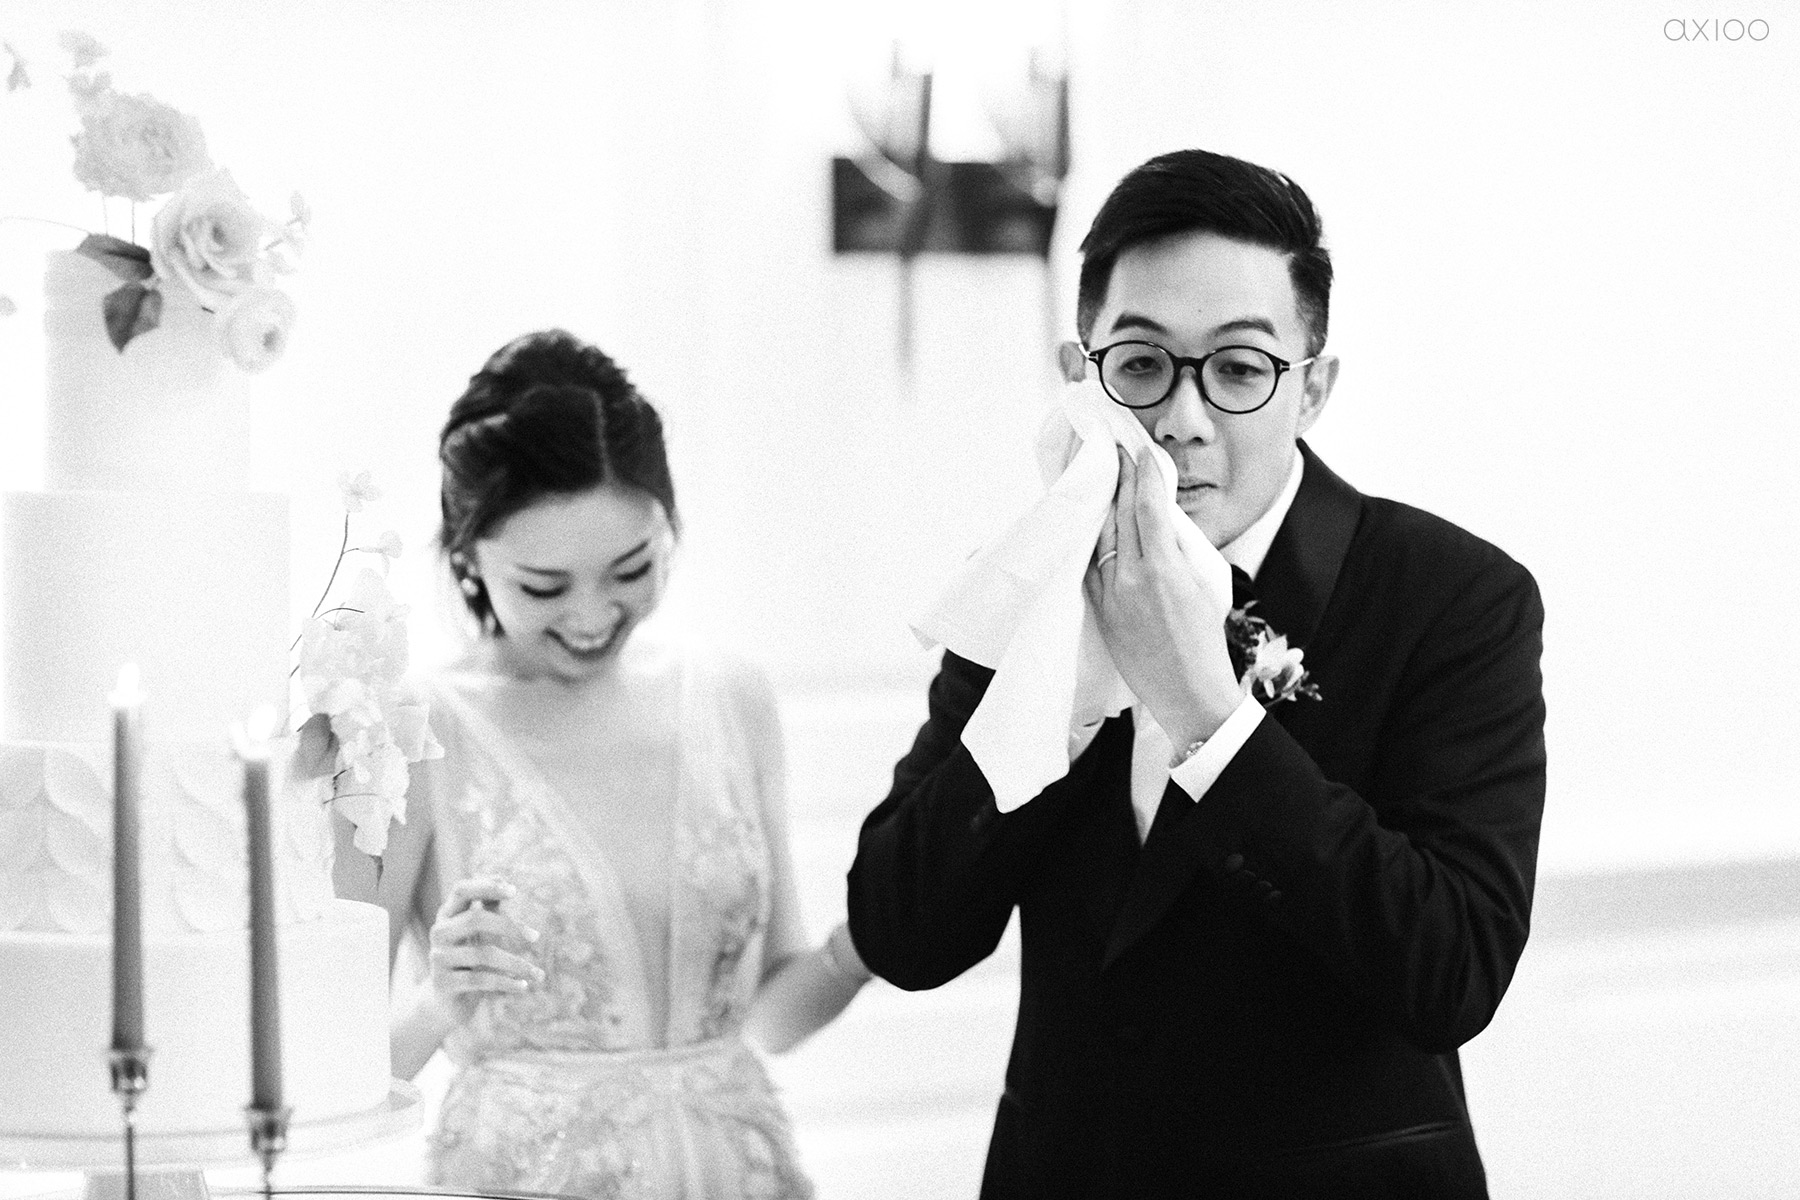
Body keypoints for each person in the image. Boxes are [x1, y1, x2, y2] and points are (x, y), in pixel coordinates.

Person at [847, 149, 1546, 1198]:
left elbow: (1450, 971)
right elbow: (900, 933)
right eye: (1141, 364)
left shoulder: (1453, 597)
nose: (1183, 417)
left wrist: (1207, 715)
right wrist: (1056, 701)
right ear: (1081, 375)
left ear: (1312, 389)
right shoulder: (1027, 582)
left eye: (1239, 368)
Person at [337, 329, 871, 1199]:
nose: (592, 615)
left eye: (631, 569)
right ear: (467, 556)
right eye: (544, 587)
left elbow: (769, 1019)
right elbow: (328, 1067)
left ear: (668, 528)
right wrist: (438, 1001)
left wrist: (873, 939)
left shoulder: (731, 696)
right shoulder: (410, 730)